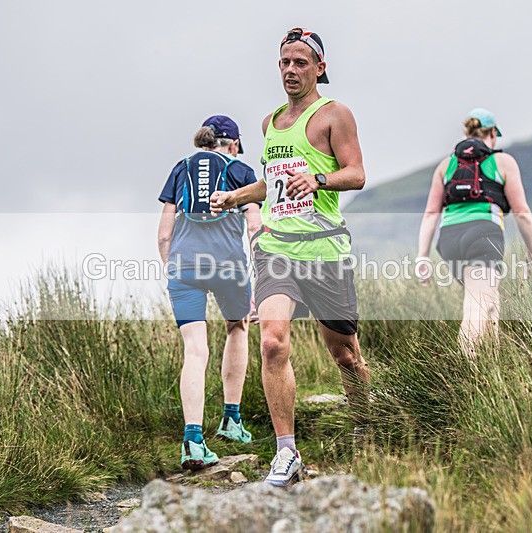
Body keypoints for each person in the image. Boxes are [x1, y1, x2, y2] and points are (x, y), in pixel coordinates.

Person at [211, 28, 369, 487]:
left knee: (343, 354)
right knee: (273, 341)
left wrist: (318, 180)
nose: (290, 70)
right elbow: (272, 184)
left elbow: (356, 173)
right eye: (284, 62)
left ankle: (365, 426)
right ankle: (287, 453)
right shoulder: (270, 122)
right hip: (277, 248)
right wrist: (235, 195)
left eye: (300, 62)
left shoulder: (334, 114)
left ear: (319, 67)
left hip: (325, 252)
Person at [157, 115, 262, 470]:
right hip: (229, 268)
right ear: (231, 144)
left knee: (194, 349)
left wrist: (172, 267)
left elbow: (163, 234)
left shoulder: (180, 168)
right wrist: (260, 275)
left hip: (184, 268)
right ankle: (231, 421)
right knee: (237, 327)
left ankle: (192, 442)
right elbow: (254, 225)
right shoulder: (240, 170)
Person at [416, 108, 532, 355]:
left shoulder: (445, 165)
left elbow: (431, 214)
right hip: (483, 235)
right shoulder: (503, 162)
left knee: (489, 299)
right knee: (477, 306)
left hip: (448, 240)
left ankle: (492, 367)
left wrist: (422, 256)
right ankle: (465, 370)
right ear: (493, 133)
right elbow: (522, 212)